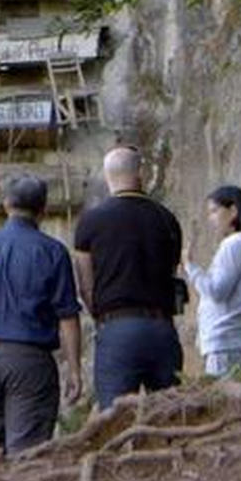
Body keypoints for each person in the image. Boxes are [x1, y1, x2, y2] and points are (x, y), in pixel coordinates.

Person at [0, 173, 84, 455]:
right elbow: (67, 317)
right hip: (30, 363)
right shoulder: (53, 251)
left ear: (5, 205)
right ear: (43, 210)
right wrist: (75, 370)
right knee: (27, 456)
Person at [72, 146, 184, 410]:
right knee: (168, 414)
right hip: (161, 327)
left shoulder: (90, 221)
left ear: (106, 175)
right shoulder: (167, 219)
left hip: (116, 328)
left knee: (115, 419)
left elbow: (85, 285)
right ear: (141, 173)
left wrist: (100, 316)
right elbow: (173, 270)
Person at [183, 185, 241, 377]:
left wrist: (190, 266)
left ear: (233, 211)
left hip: (225, 344)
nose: (211, 219)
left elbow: (216, 291)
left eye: (214, 211)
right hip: (239, 341)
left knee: (224, 403)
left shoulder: (233, 245)